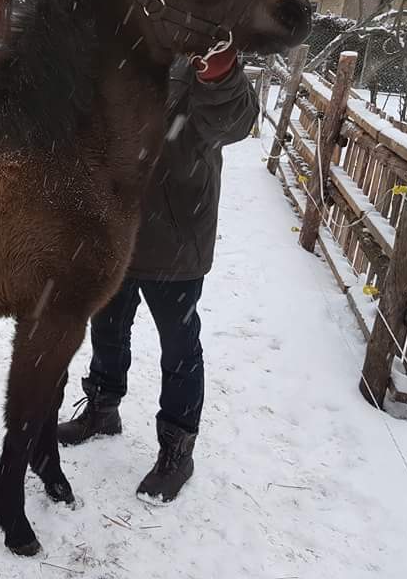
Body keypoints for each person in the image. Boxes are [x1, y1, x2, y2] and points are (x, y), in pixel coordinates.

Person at [58, 45, 258, 503]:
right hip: (115, 231)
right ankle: (103, 411)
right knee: (107, 328)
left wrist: (221, 71)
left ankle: (177, 451)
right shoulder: (125, 51)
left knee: (180, 347)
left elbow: (236, 123)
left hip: (176, 238)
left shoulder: (202, 62)